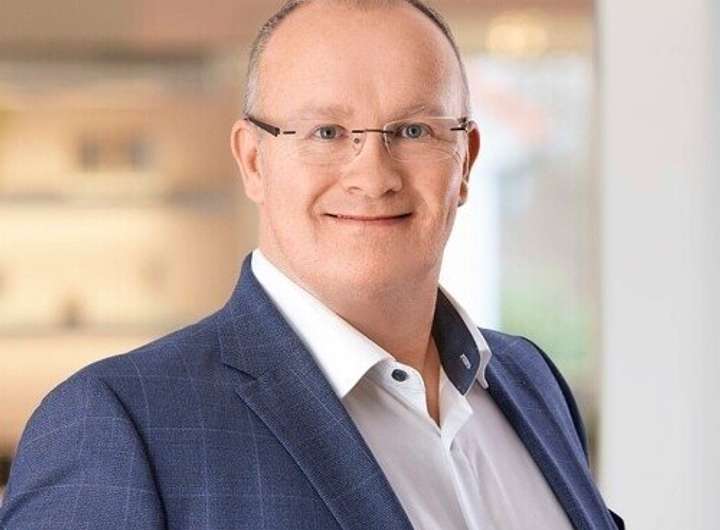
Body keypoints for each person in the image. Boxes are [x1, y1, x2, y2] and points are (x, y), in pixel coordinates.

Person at [0, 0, 624, 528]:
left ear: (465, 160)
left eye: (413, 131)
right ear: (253, 161)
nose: (373, 177)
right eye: (326, 132)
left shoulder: (529, 381)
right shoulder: (118, 424)